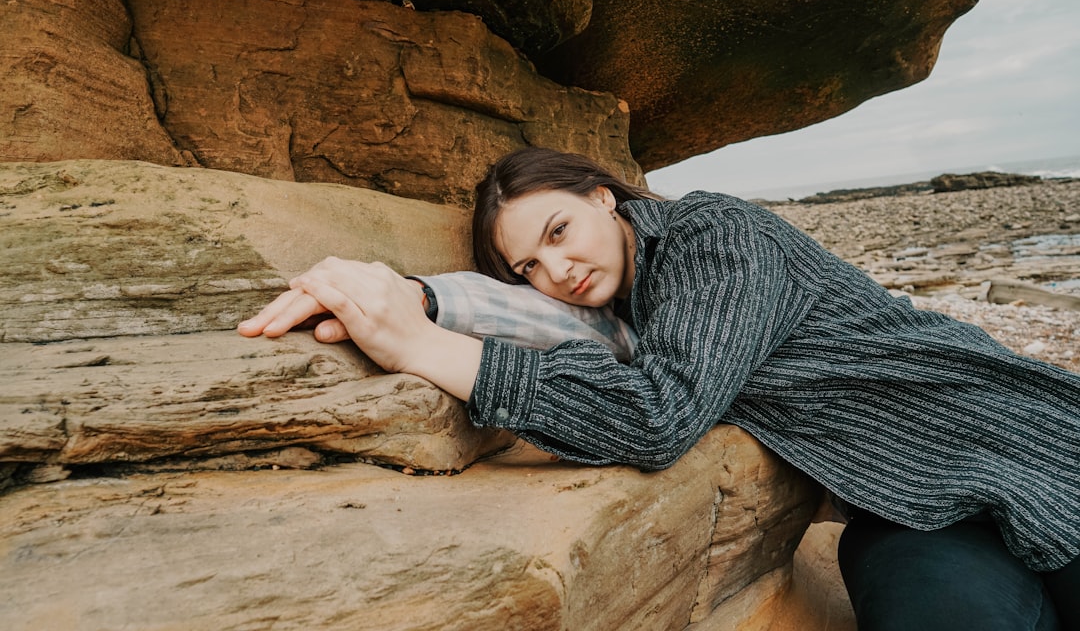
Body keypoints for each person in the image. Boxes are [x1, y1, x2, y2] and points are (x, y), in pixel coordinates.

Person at [239, 146, 1079, 629]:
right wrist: (416, 294)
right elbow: (538, 321)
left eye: (560, 231)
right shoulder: (627, 301)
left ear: (605, 197)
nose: (557, 270)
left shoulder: (715, 232)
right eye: (531, 263)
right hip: (909, 509)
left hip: (1027, 447)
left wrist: (415, 342)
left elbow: (657, 415)